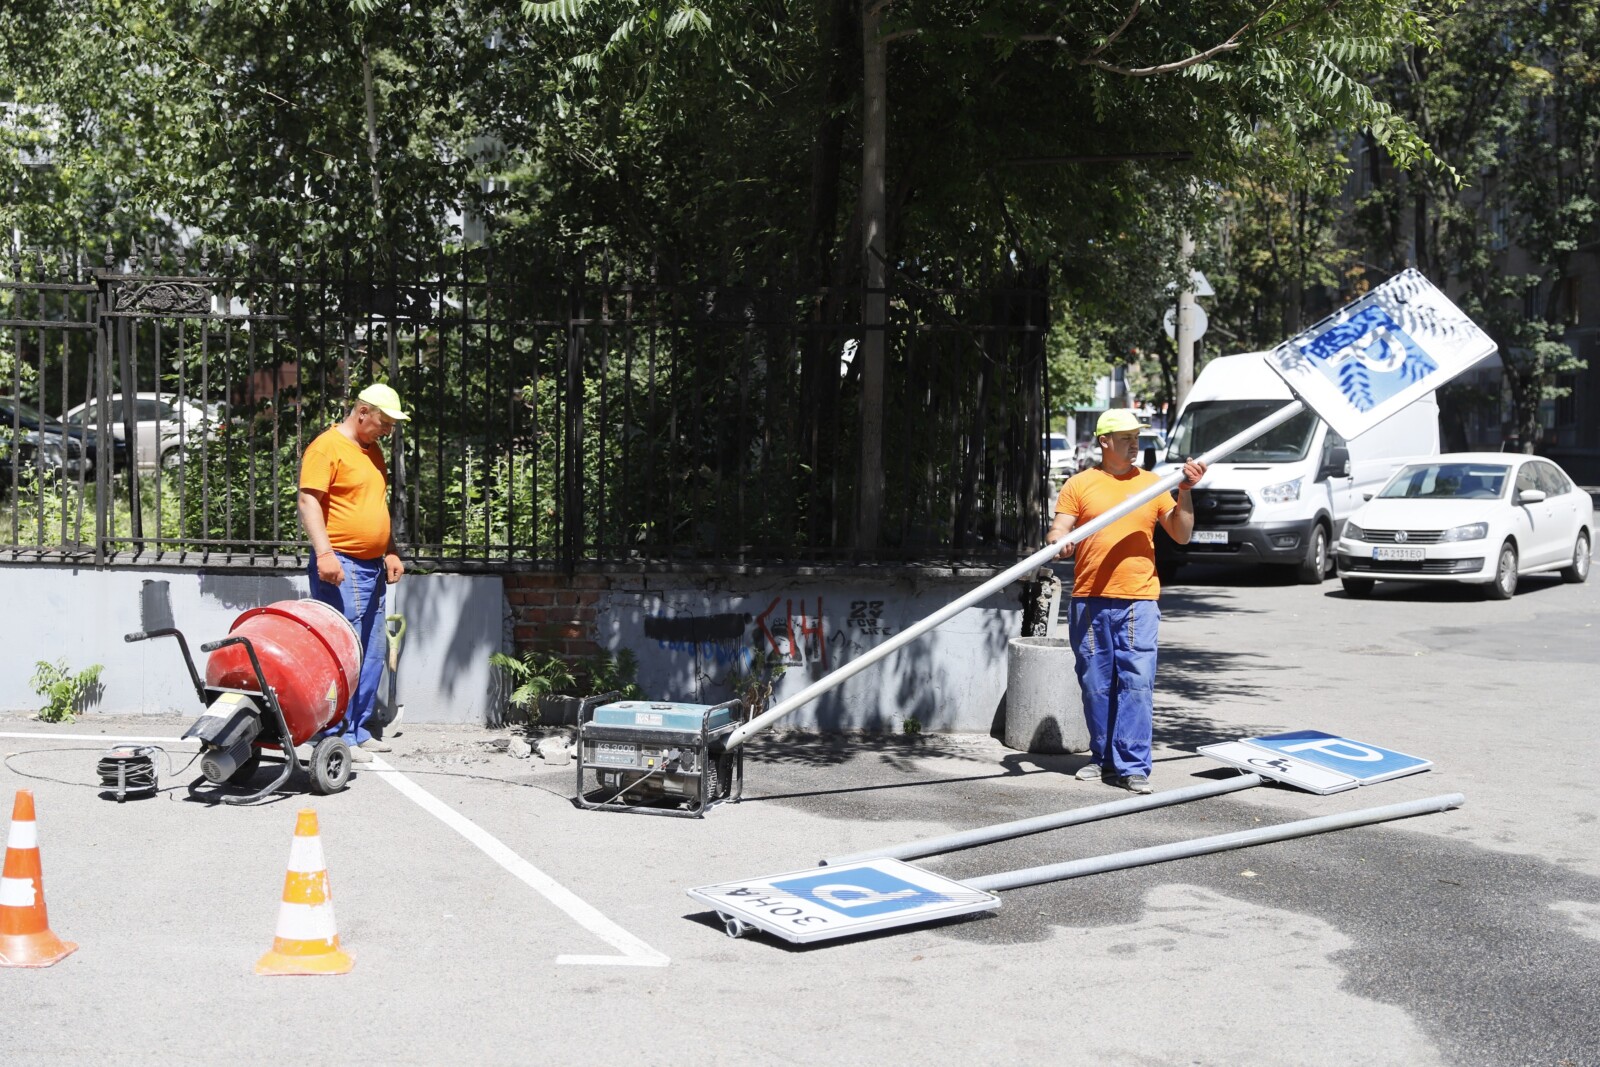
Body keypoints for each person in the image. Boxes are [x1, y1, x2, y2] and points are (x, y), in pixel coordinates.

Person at [1045, 409, 1206, 794]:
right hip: (1089, 599)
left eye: (1137, 437)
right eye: (1125, 438)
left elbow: (1181, 535)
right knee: (1096, 684)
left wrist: (1184, 491)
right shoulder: (1080, 485)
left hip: (1138, 599)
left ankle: (1133, 765)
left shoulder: (1153, 485)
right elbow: (1059, 530)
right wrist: (1058, 543)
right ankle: (1102, 759)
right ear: (1104, 441)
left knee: (1135, 683)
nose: (1134, 445)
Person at [296, 382, 410, 762]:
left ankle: (359, 731)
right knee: (345, 651)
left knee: (373, 650)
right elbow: (308, 500)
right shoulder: (326, 447)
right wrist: (324, 553)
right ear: (362, 412)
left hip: (373, 566)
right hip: (341, 563)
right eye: (384, 422)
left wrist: (389, 549)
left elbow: (374, 505)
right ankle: (333, 734)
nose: (388, 430)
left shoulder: (371, 450)